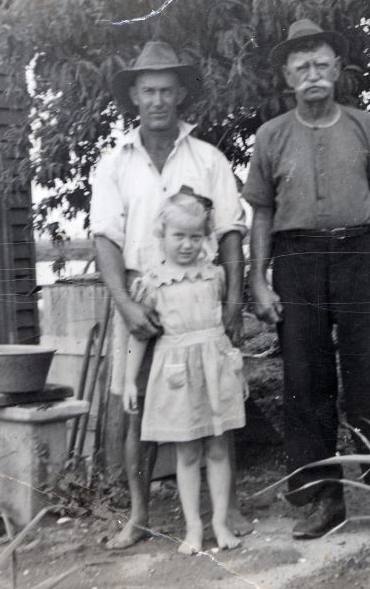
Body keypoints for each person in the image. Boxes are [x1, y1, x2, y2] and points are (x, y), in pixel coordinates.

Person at [243, 19, 370, 539]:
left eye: (321, 65)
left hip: (360, 257)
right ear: (287, 76)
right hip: (296, 265)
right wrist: (259, 279)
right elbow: (261, 216)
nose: (312, 75)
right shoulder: (271, 136)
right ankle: (323, 499)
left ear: (337, 71)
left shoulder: (363, 126)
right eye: (302, 67)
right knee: (305, 384)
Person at [90, 40, 250, 549]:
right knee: (134, 406)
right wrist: (125, 304)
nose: (157, 100)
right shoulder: (115, 163)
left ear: (180, 94)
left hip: (201, 297)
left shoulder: (208, 159)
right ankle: (137, 514)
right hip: (142, 291)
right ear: (134, 95)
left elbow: (228, 232)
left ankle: (226, 511)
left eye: (166, 90)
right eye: (147, 91)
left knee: (214, 396)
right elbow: (104, 238)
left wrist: (232, 302)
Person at [122, 191, 247, 554]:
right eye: (179, 236)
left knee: (220, 448)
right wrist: (130, 379)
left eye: (196, 237)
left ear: (206, 237)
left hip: (215, 369)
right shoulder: (153, 283)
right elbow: (138, 336)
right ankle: (193, 528)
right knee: (187, 452)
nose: (188, 245)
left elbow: (226, 322)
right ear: (162, 234)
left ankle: (220, 523)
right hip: (177, 376)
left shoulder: (215, 276)